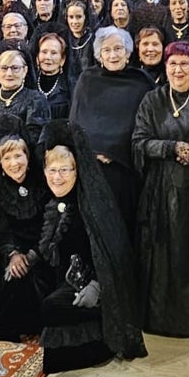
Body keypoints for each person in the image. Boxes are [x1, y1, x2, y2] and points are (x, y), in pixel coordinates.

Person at [37, 121, 147, 373]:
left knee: (50, 307)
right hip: (65, 279)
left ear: (77, 171)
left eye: (65, 170)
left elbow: (112, 255)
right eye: (52, 170)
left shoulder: (92, 207)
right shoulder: (53, 203)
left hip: (94, 288)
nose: (57, 177)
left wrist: (96, 286)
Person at [132, 41, 189, 337]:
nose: (178, 69)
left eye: (185, 64)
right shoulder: (152, 100)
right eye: (173, 64)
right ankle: (159, 319)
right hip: (160, 189)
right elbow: (138, 142)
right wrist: (171, 148)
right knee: (161, 254)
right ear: (165, 67)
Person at [69, 26, 155, 239]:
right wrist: (91, 152)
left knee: (122, 231)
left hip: (125, 172)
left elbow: (145, 127)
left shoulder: (141, 82)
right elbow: (76, 122)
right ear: (99, 55)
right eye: (107, 50)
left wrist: (114, 152)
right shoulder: (87, 80)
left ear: (128, 53)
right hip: (91, 170)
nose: (113, 54)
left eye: (118, 49)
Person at [0, 126, 50, 342]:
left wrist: (34, 255)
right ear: (1, 165)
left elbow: (49, 226)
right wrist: (13, 254)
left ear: (28, 158)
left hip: (44, 250)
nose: (14, 163)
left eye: (18, 155)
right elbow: (0, 230)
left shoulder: (43, 183)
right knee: (16, 277)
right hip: (14, 250)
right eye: (7, 158)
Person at [0, 45, 50, 148]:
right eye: (4, 68)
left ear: (25, 70)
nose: (9, 74)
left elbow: (36, 139)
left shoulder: (35, 100)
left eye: (15, 68)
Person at [31, 26, 72, 120]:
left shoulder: (70, 88)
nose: (48, 57)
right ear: (37, 57)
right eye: (44, 52)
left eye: (54, 53)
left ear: (63, 59)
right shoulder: (30, 83)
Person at [64, 0, 97, 84]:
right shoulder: (64, 40)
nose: (74, 22)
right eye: (71, 17)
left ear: (85, 17)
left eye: (79, 17)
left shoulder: (93, 40)